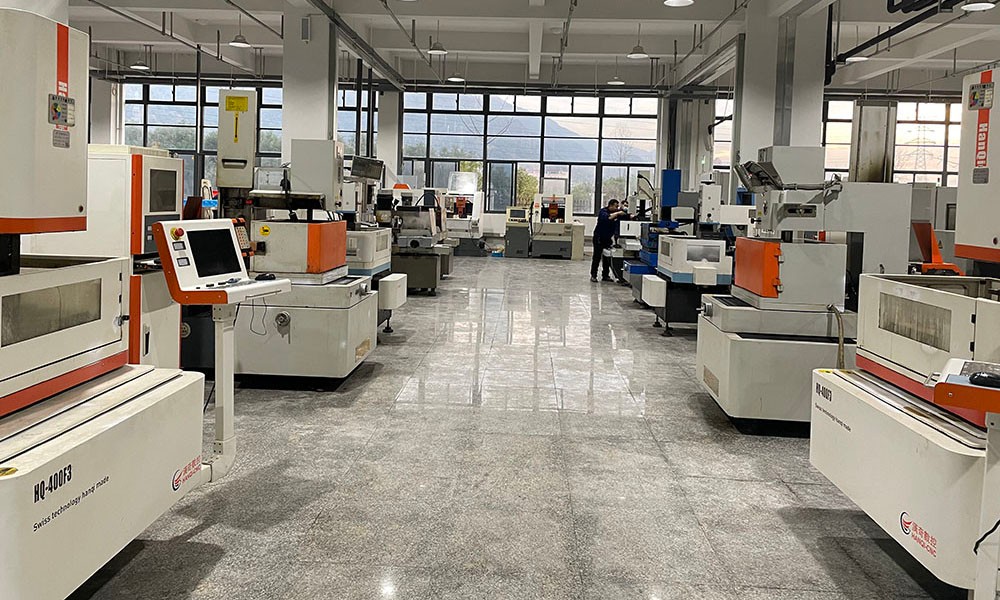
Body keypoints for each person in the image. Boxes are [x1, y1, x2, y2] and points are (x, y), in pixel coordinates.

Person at [591, 199, 627, 283]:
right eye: (615, 206)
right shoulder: (603, 212)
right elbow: (608, 217)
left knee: (607, 257)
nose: (617, 208)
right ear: (610, 205)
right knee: (597, 257)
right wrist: (618, 213)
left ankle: (605, 275)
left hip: (607, 238)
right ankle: (593, 275)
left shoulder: (616, 212)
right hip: (599, 238)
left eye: (618, 206)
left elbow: (626, 216)